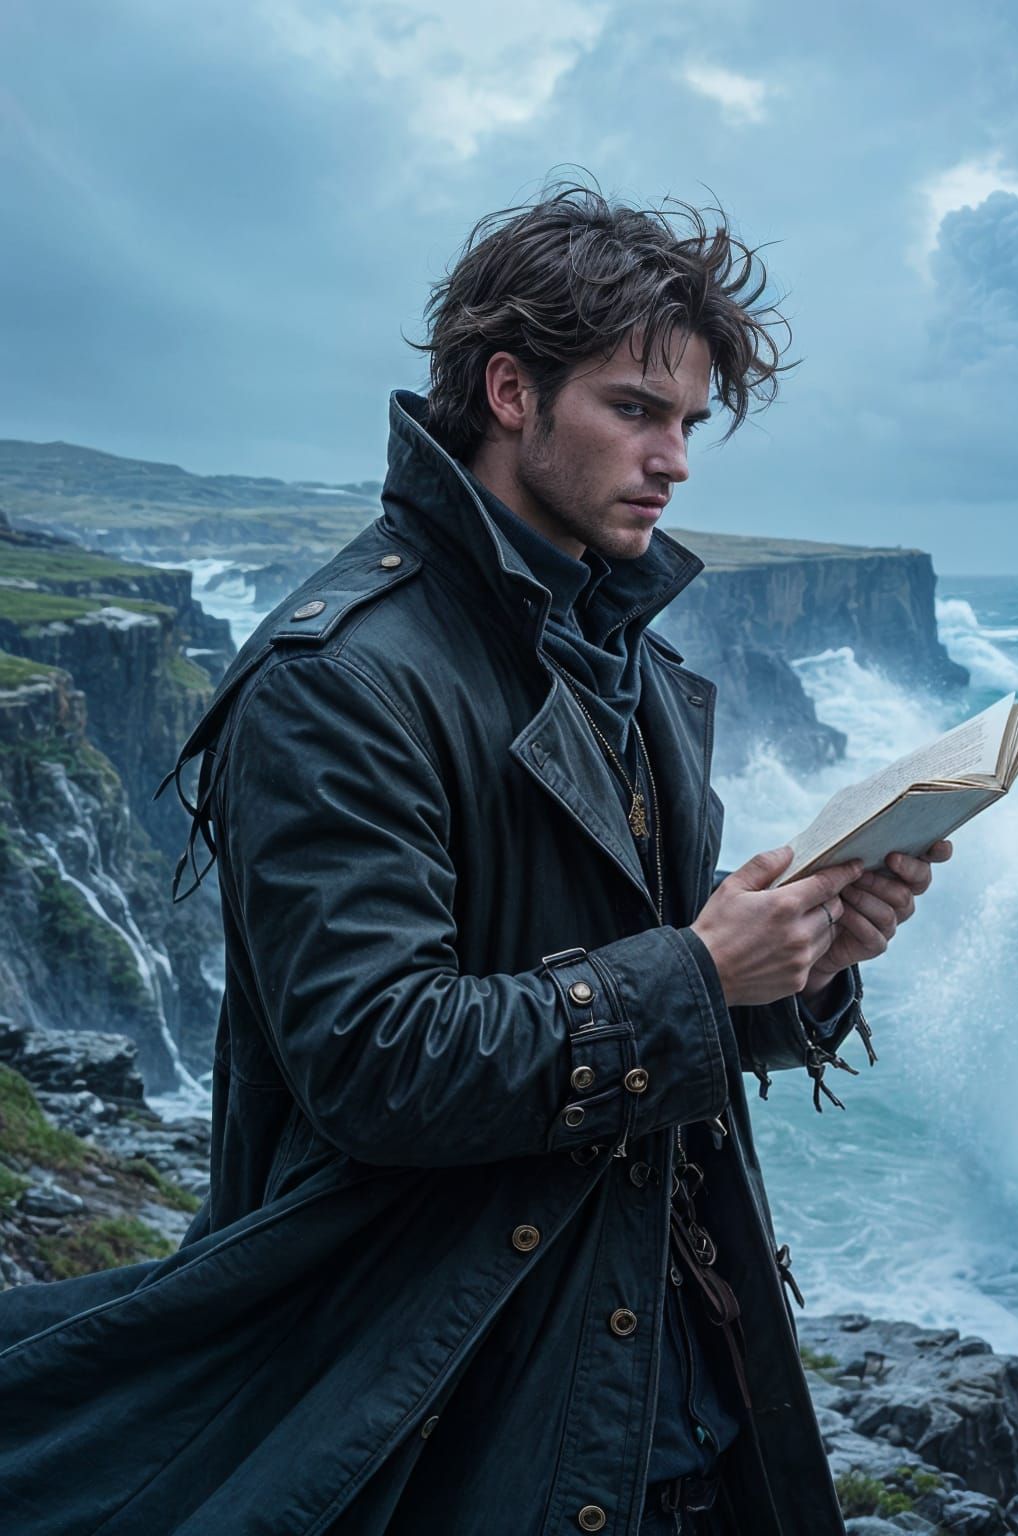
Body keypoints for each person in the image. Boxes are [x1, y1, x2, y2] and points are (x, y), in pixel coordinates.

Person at [0, 179, 950, 1535]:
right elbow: (373, 1058)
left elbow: (652, 977)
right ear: (510, 391)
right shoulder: (341, 678)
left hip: (668, 1364)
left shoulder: (632, 663)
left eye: (688, 424)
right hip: (444, 1382)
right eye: (635, 410)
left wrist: (803, 960)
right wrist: (696, 968)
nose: (674, 460)